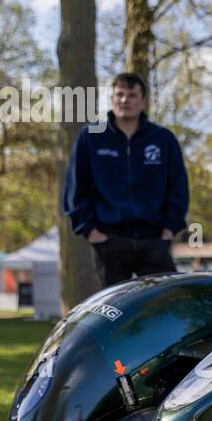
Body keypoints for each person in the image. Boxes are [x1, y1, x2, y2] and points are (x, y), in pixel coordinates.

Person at [64, 72, 189, 287]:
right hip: (109, 240)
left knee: (162, 305)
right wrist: (91, 232)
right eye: (119, 94)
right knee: (112, 312)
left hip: (154, 240)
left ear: (143, 101)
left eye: (132, 95)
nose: (124, 100)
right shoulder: (91, 137)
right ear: (111, 99)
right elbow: (76, 188)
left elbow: (178, 188)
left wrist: (169, 230)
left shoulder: (163, 139)